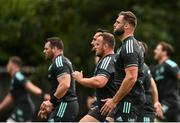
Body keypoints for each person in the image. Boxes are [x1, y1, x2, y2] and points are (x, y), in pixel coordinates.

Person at [100, 11, 145, 122]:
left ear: (126, 26)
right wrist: (115, 99)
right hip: (123, 99)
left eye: (117, 22)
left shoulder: (129, 47)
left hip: (129, 101)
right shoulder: (124, 46)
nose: (114, 24)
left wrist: (114, 101)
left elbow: (131, 78)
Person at [73, 32, 117, 122]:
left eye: (98, 44)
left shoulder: (108, 59)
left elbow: (99, 82)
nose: (94, 46)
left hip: (114, 106)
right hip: (102, 106)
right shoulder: (104, 60)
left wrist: (80, 79)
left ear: (105, 46)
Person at [38, 37, 79, 122]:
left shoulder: (59, 61)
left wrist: (50, 102)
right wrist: (51, 105)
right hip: (63, 105)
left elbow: (65, 85)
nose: (44, 51)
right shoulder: (60, 61)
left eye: (46, 48)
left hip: (65, 104)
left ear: (55, 48)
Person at [0, 56, 49, 122]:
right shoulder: (14, 79)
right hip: (23, 109)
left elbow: (30, 86)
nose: (7, 66)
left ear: (14, 65)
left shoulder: (18, 75)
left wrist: (43, 95)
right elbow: (10, 97)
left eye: (8, 64)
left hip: (24, 109)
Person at [153, 41, 180, 121]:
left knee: (153, 117)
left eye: (157, 49)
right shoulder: (156, 68)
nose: (154, 51)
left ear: (164, 52)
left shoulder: (169, 64)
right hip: (161, 103)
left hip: (171, 103)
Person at [138, 41, 163, 122]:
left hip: (145, 108)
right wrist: (156, 101)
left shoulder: (141, 67)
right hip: (142, 107)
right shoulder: (145, 66)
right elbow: (153, 84)